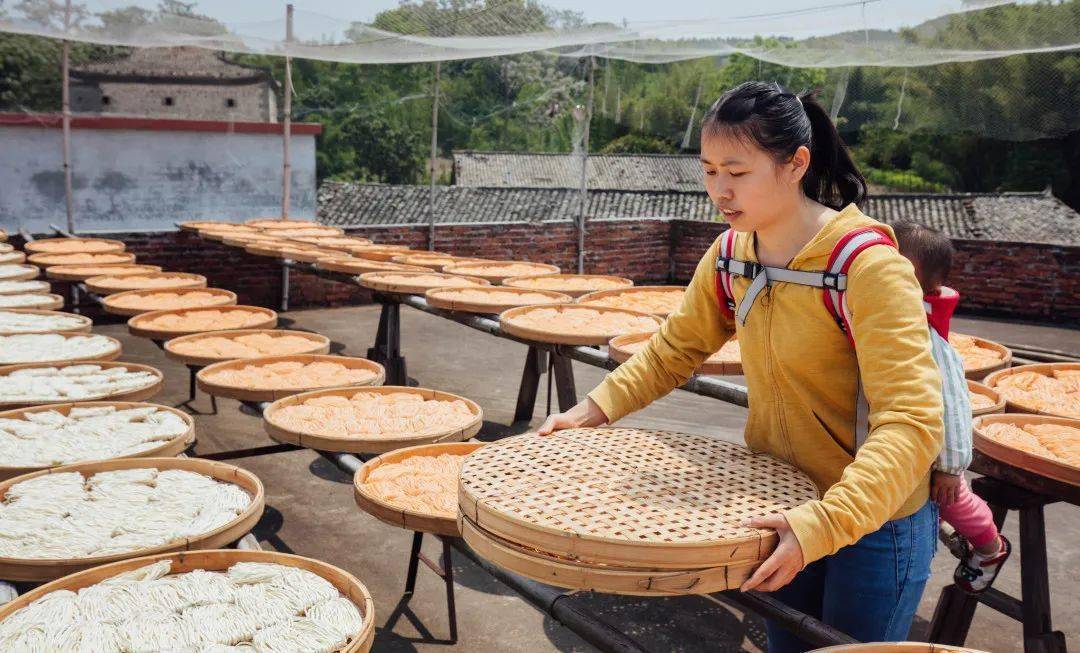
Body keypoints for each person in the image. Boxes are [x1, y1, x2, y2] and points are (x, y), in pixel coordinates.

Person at [538, 81, 944, 652]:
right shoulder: (733, 254)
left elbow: (911, 420)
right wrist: (592, 410)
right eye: (708, 172)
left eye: (737, 171)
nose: (720, 191)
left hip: (873, 521)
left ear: (795, 164)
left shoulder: (867, 267)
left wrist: (825, 525)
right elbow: (674, 348)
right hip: (779, 503)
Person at [892, 221, 1011, 594]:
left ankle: (990, 547)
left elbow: (954, 406)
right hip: (901, 445)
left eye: (895, 271)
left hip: (937, 455)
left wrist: (950, 465)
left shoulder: (927, 340)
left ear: (928, 288)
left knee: (953, 500)